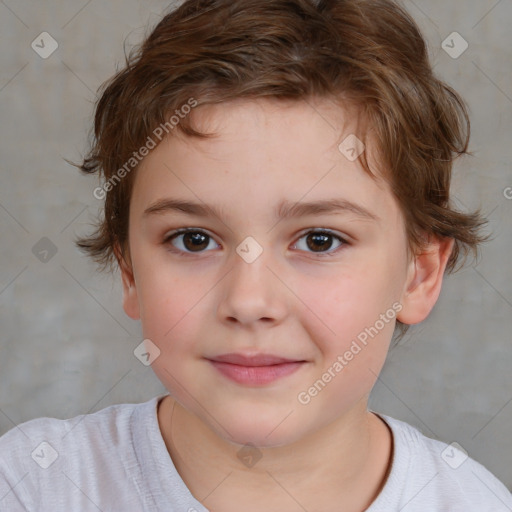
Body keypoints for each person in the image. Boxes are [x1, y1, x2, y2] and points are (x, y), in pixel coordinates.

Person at [1, 0, 511, 510]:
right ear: (129, 269)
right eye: (193, 239)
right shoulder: (31, 486)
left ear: (418, 276)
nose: (248, 301)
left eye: (319, 240)